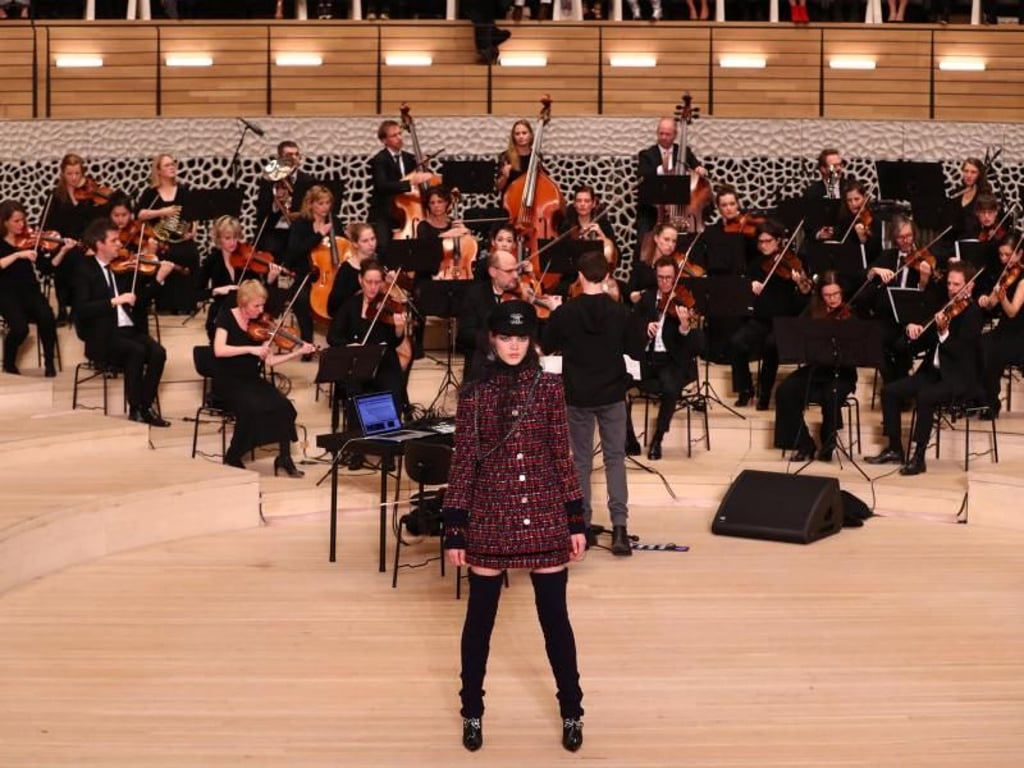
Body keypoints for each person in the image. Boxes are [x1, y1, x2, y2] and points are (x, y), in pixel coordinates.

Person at [443, 299, 586, 754]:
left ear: (531, 341)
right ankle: (471, 711)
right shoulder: (474, 393)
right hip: (490, 515)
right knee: (479, 623)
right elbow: (463, 461)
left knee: (556, 622)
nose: (513, 345)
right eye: (506, 336)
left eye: (521, 338)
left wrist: (575, 518)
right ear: (492, 337)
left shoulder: (547, 386)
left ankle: (572, 711)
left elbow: (562, 454)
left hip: (542, 513)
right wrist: (455, 528)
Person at [543, 250, 645, 555]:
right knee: (615, 459)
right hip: (612, 394)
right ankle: (620, 529)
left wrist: (552, 310)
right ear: (607, 277)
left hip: (577, 395)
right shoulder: (620, 312)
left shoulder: (567, 313)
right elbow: (635, 350)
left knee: (581, 462)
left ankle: (581, 527)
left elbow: (547, 345)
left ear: (580, 276)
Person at [866, 262, 984, 476]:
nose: (951, 288)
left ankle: (919, 457)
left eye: (957, 284)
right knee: (889, 391)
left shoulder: (973, 314)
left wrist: (944, 332)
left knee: (925, 396)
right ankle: (894, 449)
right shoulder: (944, 307)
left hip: (957, 378)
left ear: (970, 286)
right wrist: (914, 330)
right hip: (933, 373)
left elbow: (960, 352)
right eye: (949, 283)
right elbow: (924, 343)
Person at [74, 217, 175, 426]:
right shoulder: (84, 270)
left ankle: (145, 407)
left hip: (127, 330)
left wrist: (158, 280)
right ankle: (135, 409)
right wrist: (114, 301)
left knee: (158, 352)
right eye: (114, 241)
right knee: (135, 351)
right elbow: (81, 310)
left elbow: (140, 302)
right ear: (99, 244)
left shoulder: (121, 269)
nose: (120, 244)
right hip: (101, 336)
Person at [212, 279, 315, 474]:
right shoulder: (226, 317)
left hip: (251, 379)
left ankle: (284, 457)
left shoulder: (260, 325)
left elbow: (270, 361)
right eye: (256, 306)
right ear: (243, 303)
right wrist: (250, 349)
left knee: (284, 406)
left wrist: (297, 352)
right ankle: (233, 455)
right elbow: (219, 350)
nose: (260, 310)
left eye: (262, 305)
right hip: (228, 380)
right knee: (251, 409)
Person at [772, 272, 857, 462]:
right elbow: (795, 330)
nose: (833, 299)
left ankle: (828, 441)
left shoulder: (850, 314)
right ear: (821, 296)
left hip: (842, 372)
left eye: (836, 294)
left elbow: (858, 348)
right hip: (817, 369)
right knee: (785, 391)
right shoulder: (813, 311)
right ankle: (803, 443)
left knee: (832, 393)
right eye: (828, 295)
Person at [728, 220, 812, 410]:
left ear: (779, 241)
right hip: (760, 320)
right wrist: (749, 287)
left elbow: (804, 303)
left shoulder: (793, 263)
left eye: (768, 241)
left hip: (784, 323)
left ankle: (765, 395)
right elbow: (744, 297)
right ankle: (745, 390)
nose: (764, 245)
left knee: (771, 345)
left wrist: (801, 287)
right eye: (761, 242)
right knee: (736, 343)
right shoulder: (756, 264)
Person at [635, 257, 706, 459]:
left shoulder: (683, 300)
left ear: (676, 277)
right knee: (617, 382)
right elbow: (632, 326)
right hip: (648, 359)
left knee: (670, 387)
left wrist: (684, 327)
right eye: (660, 278)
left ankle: (658, 438)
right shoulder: (648, 299)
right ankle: (629, 439)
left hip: (672, 360)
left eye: (669, 278)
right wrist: (644, 328)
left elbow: (695, 345)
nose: (665, 282)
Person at [326, 260, 410, 422]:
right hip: (358, 363)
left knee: (393, 388)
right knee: (356, 390)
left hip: (384, 362)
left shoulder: (389, 306)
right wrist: (349, 346)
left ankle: (388, 435)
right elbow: (333, 336)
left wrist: (399, 329)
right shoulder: (350, 306)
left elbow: (394, 343)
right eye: (369, 282)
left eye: (377, 282)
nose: (373, 287)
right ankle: (359, 438)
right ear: (360, 280)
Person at [862, 215, 936, 385]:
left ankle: (900, 386)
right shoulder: (888, 256)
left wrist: (924, 280)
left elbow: (928, 297)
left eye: (909, 235)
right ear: (894, 238)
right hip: (889, 317)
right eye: (901, 237)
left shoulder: (923, 258)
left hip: (913, 318)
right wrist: (875, 270)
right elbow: (866, 274)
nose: (906, 241)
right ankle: (892, 385)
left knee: (901, 346)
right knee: (875, 342)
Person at [0, 200, 69, 377]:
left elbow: (47, 268)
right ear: (4, 221)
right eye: (16, 221)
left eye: (23, 220)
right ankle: (8, 362)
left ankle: (49, 363)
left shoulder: (31, 241)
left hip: (29, 290)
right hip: (6, 293)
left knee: (47, 318)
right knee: (20, 328)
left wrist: (62, 251)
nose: (21, 224)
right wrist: (17, 254)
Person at [136, 153, 201, 315]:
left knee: (190, 253)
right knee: (164, 255)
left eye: (173, 164)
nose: (172, 167)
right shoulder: (150, 193)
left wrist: (192, 231)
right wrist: (161, 212)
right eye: (167, 165)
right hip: (161, 241)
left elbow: (194, 216)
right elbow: (140, 214)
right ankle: (164, 305)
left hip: (181, 239)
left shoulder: (184, 191)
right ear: (158, 171)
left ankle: (187, 304)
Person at [201, 215, 282, 342]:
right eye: (227, 238)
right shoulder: (212, 260)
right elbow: (196, 292)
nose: (233, 242)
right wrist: (216, 290)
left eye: (235, 237)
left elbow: (259, 291)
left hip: (247, 313)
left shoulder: (248, 259)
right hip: (222, 311)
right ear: (218, 239)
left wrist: (270, 280)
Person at [636, 117, 706, 257]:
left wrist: (699, 169)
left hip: (680, 213)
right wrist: (665, 170)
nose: (663, 137)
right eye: (660, 133)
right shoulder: (647, 155)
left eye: (667, 134)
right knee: (644, 245)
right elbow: (643, 175)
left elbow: (697, 167)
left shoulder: (684, 152)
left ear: (675, 135)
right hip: (653, 214)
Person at [285, 184, 345, 348]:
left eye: (328, 203)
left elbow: (344, 247)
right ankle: (307, 342)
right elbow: (294, 252)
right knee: (301, 298)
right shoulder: (301, 224)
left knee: (343, 297)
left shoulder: (335, 222)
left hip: (330, 275)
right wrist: (318, 235)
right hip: (306, 274)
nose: (325, 207)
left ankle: (338, 342)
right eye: (320, 203)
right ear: (310, 204)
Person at [367, 119, 434, 254]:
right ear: (384, 140)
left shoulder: (409, 158)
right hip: (386, 211)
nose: (399, 138)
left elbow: (425, 178)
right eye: (394, 136)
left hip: (409, 209)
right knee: (383, 246)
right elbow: (382, 186)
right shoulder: (379, 160)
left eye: (400, 134)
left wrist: (426, 171)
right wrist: (410, 183)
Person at [457, 248, 523, 381]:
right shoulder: (474, 295)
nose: (515, 275)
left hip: (516, 369)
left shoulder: (519, 296)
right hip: (483, 366)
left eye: (517, 270)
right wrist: (491, 339)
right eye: (509, 271)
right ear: (493, 272)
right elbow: (465, 334)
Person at [977, 236, 1024, 420]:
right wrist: (986, 300)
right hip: (1005, 330)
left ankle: (991, 404)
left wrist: (1002, 297)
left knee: (994, 351)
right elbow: (991, 304)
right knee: (979, 344)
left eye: (1007, 255)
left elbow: (1012, 311)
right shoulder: (1006, 275)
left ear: (1020, 254)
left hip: (1019, 333)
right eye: (1001, 255)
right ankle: (981, 399)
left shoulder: (1022, 280)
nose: (1003, 259)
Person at [254, 140, 311, 262]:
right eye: (289, 155)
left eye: (297, 154)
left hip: (298, 232)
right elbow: (261, 213)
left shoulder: (307, 180)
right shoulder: (269, 180)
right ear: (279, 158)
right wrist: (276, 203)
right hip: (274, 231)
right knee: (269, 249)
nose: (294, 158)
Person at [326, 222, 378, 318]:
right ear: (355, 244)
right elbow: (332, 307)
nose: (371, 244)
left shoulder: (380, 263)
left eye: (373, 239)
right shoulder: (346, 269)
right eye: (365, 241)